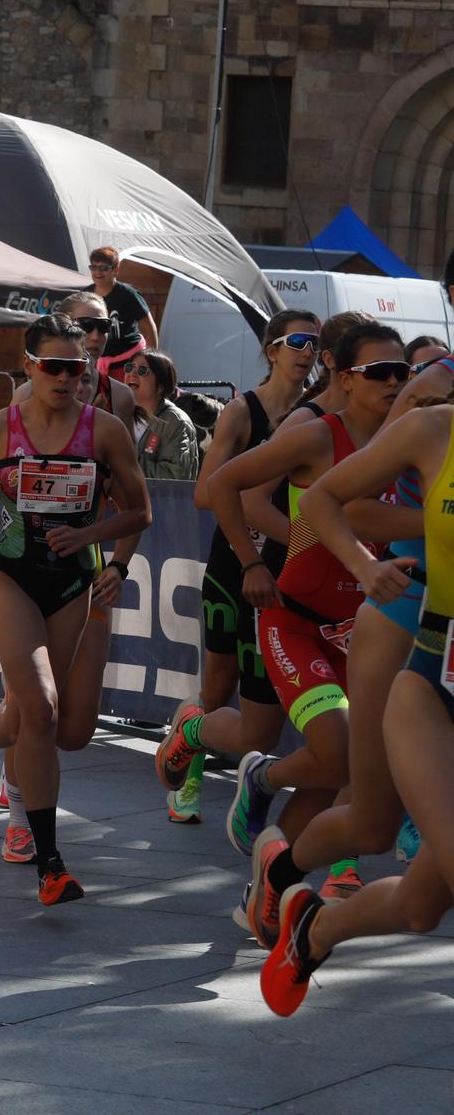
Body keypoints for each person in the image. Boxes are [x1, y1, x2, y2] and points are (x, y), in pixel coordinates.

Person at [0, 314, 151, 903]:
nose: (66, 378)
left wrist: (108, 555)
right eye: (54, 366)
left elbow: (140, 512)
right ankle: (49, 862)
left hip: (79, 582)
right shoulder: (0, 428)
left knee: (69, 730)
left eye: (77, 368)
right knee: (41, 709)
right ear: (28, 366)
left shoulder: (103, 431)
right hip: (15, 577)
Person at [204, 322, 406, 944]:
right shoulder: (319, 434)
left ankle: (271, 883)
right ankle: (259, 774)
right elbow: (220, 486)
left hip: (361, 634)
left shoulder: (411, 445)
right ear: (345, 377)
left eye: (403, 373)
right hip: (295, 623)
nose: (395, 383)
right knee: (335, 753)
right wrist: (257, 562)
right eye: (380, 373)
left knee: (341, 773)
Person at [257, 392, 454, 1016]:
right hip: (431, 686)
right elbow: (321, 500)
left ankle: (313, 931)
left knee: (423, 907)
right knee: (372, 823)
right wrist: (363, 568)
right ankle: (282, 871)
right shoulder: (433, 427)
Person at [156, 310, 321, 825]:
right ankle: (192, 774)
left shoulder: (319, 414)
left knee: (261, 707)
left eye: (316, 343)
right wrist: (264, 469)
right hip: (235, 565)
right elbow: (207, 493)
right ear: (272, 350)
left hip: (288, 570)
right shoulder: (242, 412)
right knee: (217, 683)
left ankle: (250, 785)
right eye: (297, 340)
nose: (307, 351)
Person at [122, 348, 200, 480]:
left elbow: (174, 476)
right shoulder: (119, 412)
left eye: (142, 370)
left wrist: (122, 461)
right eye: (130, 367)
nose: (132, 374)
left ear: (160, 386)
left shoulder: (176, 422)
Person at [86, 246, 156, 373]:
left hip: (128, 363)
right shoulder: (85, 295)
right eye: (94, 267)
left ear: (116, 269)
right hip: (94, 363)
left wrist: (151, 363)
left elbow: (148, 326)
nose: (98, 272)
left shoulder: (129, 294)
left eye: (103, 268)